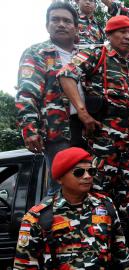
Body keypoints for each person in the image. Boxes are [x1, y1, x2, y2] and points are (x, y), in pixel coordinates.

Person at [57, 15, 129, 249]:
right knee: (98, 184)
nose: (128, 37)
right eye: (123, 32)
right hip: (102, 133)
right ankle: (95, 237)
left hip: (128, 133)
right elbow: (66, 75)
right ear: (109, 34)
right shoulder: (95, 55)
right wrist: (82, 112)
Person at [13, 147, 129, 269]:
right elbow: (24, 265)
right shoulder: (37, 216)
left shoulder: (105, 205)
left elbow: (121, 253)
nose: (87, 176)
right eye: (78, 172)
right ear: (59, 179)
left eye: (91, 171)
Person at [15, 1, 78, 195]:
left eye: (67, 21)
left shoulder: (85, 53)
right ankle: (59, 225)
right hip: (58, 130)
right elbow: (26, 93)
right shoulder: (37, 53)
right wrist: (30, 129)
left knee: (89, 183)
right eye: (55, 20)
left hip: (90, 129)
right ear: (47, 25)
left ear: (76, 27)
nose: (61, 24)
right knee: (63, 186)